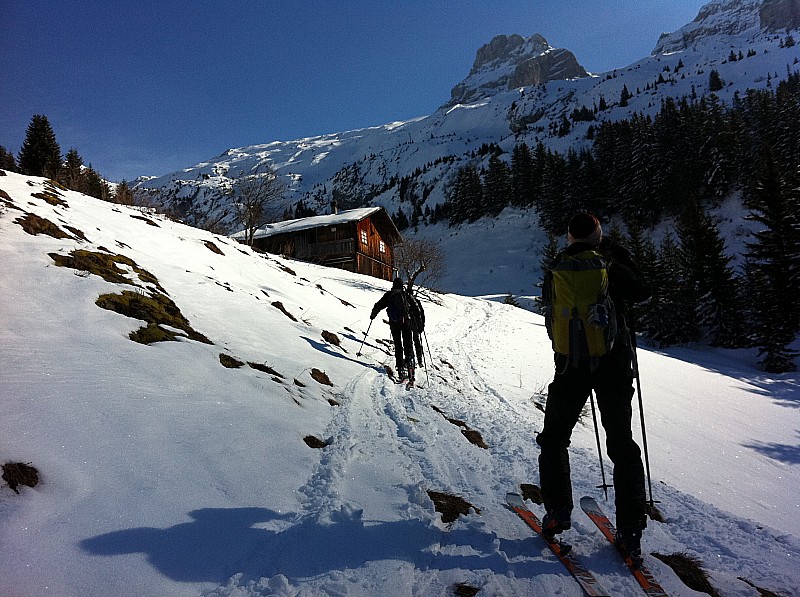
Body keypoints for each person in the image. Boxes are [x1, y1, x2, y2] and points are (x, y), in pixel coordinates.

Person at [537, 212, 651, 564]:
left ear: (570, 236)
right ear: (598, 234)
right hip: (613, 367)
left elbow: (549, 307)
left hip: (570, 367)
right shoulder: (611, 264)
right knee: (622, 444)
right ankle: (630, 530)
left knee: (555, 438)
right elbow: (643, 291)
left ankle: (557, 511)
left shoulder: (560, 266)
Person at [371, 277, 416, 383]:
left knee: (398, 345)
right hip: (406, 322)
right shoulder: (406, 295)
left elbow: (378, 305)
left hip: (394, 323)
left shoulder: (389, 295)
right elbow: (415, 307)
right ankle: (410, 363)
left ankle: (400, 369)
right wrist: (419, 323)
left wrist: (373, 315)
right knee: (408, 344)